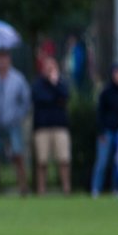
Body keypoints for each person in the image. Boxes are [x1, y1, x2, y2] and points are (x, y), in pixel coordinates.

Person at [0, 50, 31, 195]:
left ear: (9, 60)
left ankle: (23, 187)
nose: (2, 62)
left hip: (13, 124)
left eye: (4, 59)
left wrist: (18, 116)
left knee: (18, 155)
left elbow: (25, 101)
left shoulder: (18, 78)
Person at [32, 56, 72, 195]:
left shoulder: (61, 83)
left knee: (63, 159)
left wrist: (55, 84)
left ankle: (66, 188)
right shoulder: (38, 84)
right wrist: (55, 97)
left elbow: (66, 96)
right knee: (42, 161)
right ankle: (41, 190)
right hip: (42, 127)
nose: (50, 70)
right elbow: (42, 98)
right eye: (47, 67)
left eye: (52, 67)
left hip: (60, 126)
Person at [92, 65, 118, 196]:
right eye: (117, 73)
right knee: (102, 162)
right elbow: (100, 113)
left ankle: (117, 189)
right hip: (106, 131)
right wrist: (101, 131)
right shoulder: (106, 92)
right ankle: (96, 189)